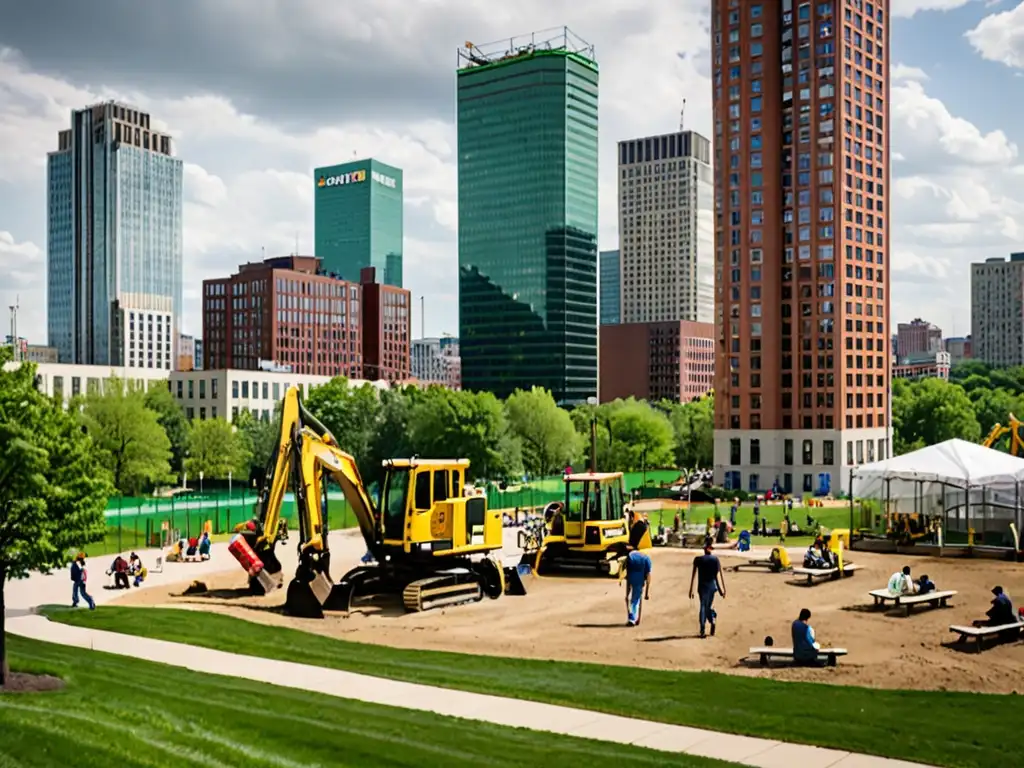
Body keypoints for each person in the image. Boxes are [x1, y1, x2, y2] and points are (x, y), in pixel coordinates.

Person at [689, 540, 726, 638]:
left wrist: (691, 589)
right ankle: (712, 618)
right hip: (712, 587)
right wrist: (721, 589)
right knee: (707, 606)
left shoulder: (698, 559)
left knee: (703, 606)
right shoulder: (715, 560)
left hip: (702, 587)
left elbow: (693, 575)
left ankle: (702, 627)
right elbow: (718, 576)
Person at [623, 548, 652, 627]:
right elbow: (648, 576)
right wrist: (646, 592)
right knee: (636, 600)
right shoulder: (646, 558)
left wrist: (627, 590)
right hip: (639, 581)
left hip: (630, 578)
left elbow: (626, 571)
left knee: (628, 598)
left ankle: (633, 617)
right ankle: (633, 619)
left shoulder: (630, 556)